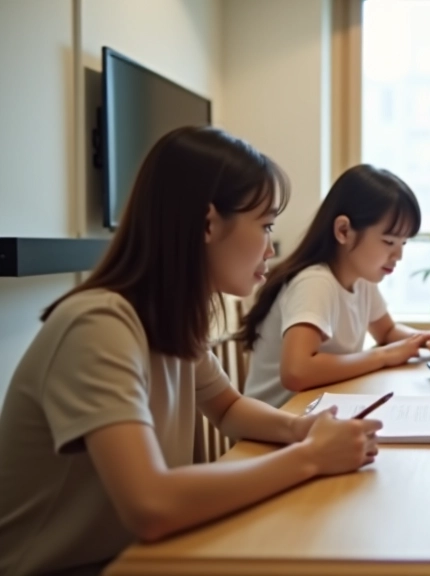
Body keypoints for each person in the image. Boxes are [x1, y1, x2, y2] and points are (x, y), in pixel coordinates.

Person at [0, 127, 382, 576]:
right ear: (208, 223)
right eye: (265, 226)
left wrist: (302, 429)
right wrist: (311, 456)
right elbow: (152, 504)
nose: (269, 246)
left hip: (131, 556)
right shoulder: (98, 325)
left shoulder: (168, 317)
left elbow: (228, 407)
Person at [239, 164, 430, 408]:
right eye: (389, 241)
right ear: (344, 231)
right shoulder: (315, 282)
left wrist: (421, 339)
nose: (398, 255)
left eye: (403, 243)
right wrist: (385, 356)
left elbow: (387, 332)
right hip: (272, 431)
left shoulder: (361, 280)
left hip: (311, 417)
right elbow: (296, 372)